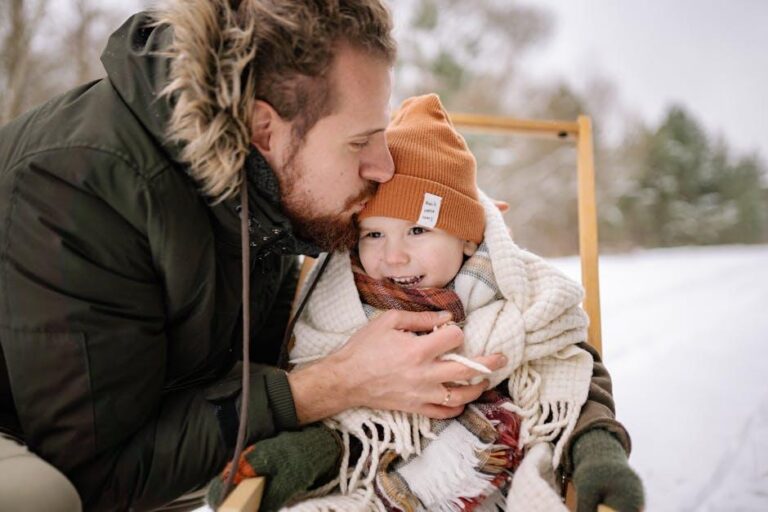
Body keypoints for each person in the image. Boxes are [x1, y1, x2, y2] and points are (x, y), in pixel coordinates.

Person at [0, 1, 628, 511]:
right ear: (263, 126)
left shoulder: (273, 189)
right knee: (42, 499)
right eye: (361, 141)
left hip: (158, 412)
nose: (380, 167)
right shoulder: (79, 186)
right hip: (46, 447)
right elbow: (101, 473)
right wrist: (334, 384)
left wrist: (480, 256)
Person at [206, 95, 644, 512]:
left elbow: (572, 373)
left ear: (468, 238)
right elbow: (347, 415)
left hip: (498, 461)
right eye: (373, 234)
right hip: (377, 466)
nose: (393, 256)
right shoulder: (344, 306)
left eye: (418, 231)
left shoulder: (519, 299)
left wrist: (596, 446)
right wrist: (303, 453)